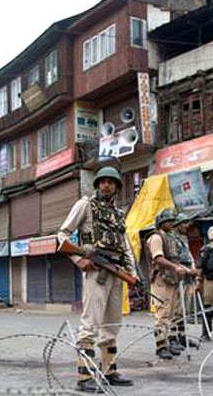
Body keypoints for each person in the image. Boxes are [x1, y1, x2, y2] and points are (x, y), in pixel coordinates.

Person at [58, 166, 138, 393]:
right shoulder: (85, 205)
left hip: (116, 271)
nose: (106, 185)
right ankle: (84, 377)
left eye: (111, 182)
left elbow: (125, 247)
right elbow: (62, 234)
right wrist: (78, 259)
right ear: (97, 185)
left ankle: (109, 371)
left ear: (117, 187)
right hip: (96, 271)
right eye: (102, 181)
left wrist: (132, 274)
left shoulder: (119, 214)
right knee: (90, 323)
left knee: (113, 323)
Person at [146, 208, 192, 360]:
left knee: (171, 313)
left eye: (173, 221)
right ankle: (161, 345)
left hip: (172, 279)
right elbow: (158, 258)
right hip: (161, 279)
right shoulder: (156, 237)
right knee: (163, 313)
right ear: (162, 222)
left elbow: (176, 260)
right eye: (169, 221)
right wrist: (175, 268)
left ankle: (169, 341)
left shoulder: (171, 238)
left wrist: (188, 270)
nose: (172, 223)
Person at [169, 213, 200, 349]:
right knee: (175, 310)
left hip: (188, 277)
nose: (187, 226)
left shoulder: (184, 239)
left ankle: (182, 336)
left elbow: (189, 257)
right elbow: (174, 260)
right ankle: (172, 337)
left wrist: (193, 269)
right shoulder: (172, 239)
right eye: (184, 223)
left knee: (184, 310)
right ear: (177, 225)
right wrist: (188, 271)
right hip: (179, 277)